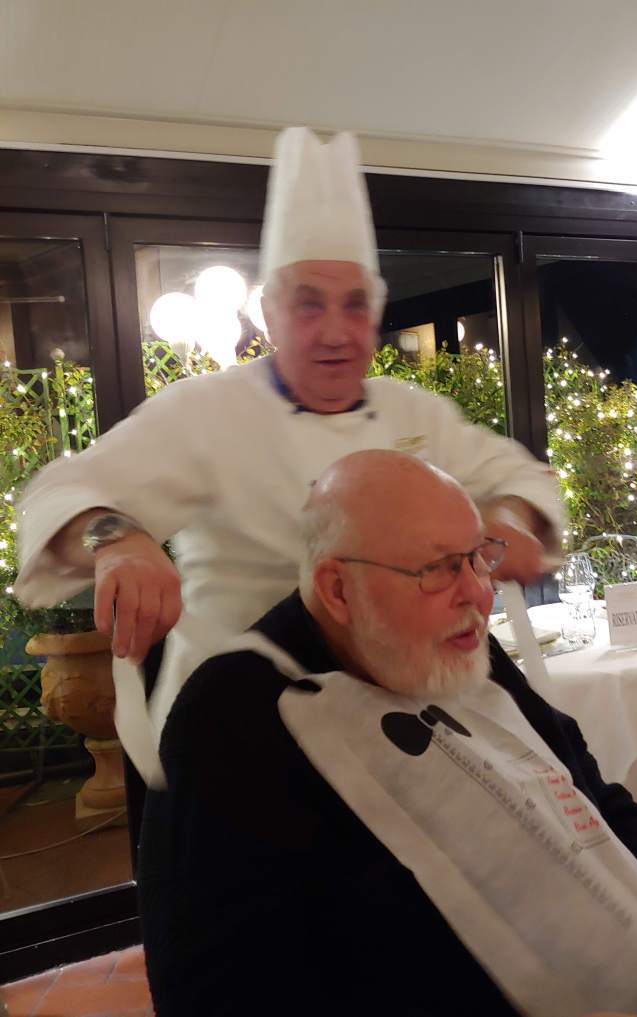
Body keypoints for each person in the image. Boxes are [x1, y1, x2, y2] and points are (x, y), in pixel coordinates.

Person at [15, 128, 562, 771]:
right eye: (308, 305)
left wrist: (509, 519)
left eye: (354, 306)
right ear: (271, 316)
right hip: (241, 727)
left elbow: (518, 477)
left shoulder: (415, 412)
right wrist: (117, 539)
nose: (335, 331)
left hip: (396, 728)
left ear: (375, 317)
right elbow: (60, 491)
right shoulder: (206, 409)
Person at [138, 451, 637, 1017]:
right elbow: (211, 994)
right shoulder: (228, 719)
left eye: (477, 558)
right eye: (436, 569)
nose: (478, 593)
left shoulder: (464, 648)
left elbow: (590, 796)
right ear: (337, 589)